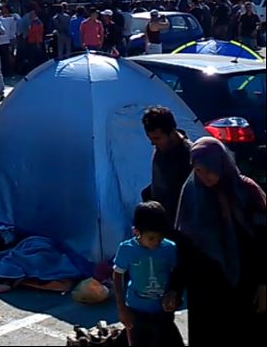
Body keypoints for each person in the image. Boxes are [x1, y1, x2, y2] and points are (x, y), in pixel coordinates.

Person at [172, 137, 266, 345]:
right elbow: (184, 244)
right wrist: (176, 286)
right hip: (204, 289)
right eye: (198, 170)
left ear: (221, 163)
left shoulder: (246, 192)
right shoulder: (191, 193)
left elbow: (262, 240)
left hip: (243, 285)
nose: (204, 176)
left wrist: (263, 283)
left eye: (209, 169)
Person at [113, 201, 184, 346]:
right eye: (151, 238)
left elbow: (177, 274)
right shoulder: (126, 249)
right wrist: (121, 307)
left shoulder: (169, 248)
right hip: (136, 311)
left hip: (162, 312)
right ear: (136, 232)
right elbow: (117, 275)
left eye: (160, 237)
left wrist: (173, 293)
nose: (156, 242)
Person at [141, 107, 192, 225]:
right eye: (150, 138)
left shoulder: (188, 156)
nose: (153, 143)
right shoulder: (160, 150)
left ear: (171, 131)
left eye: (157, 138)